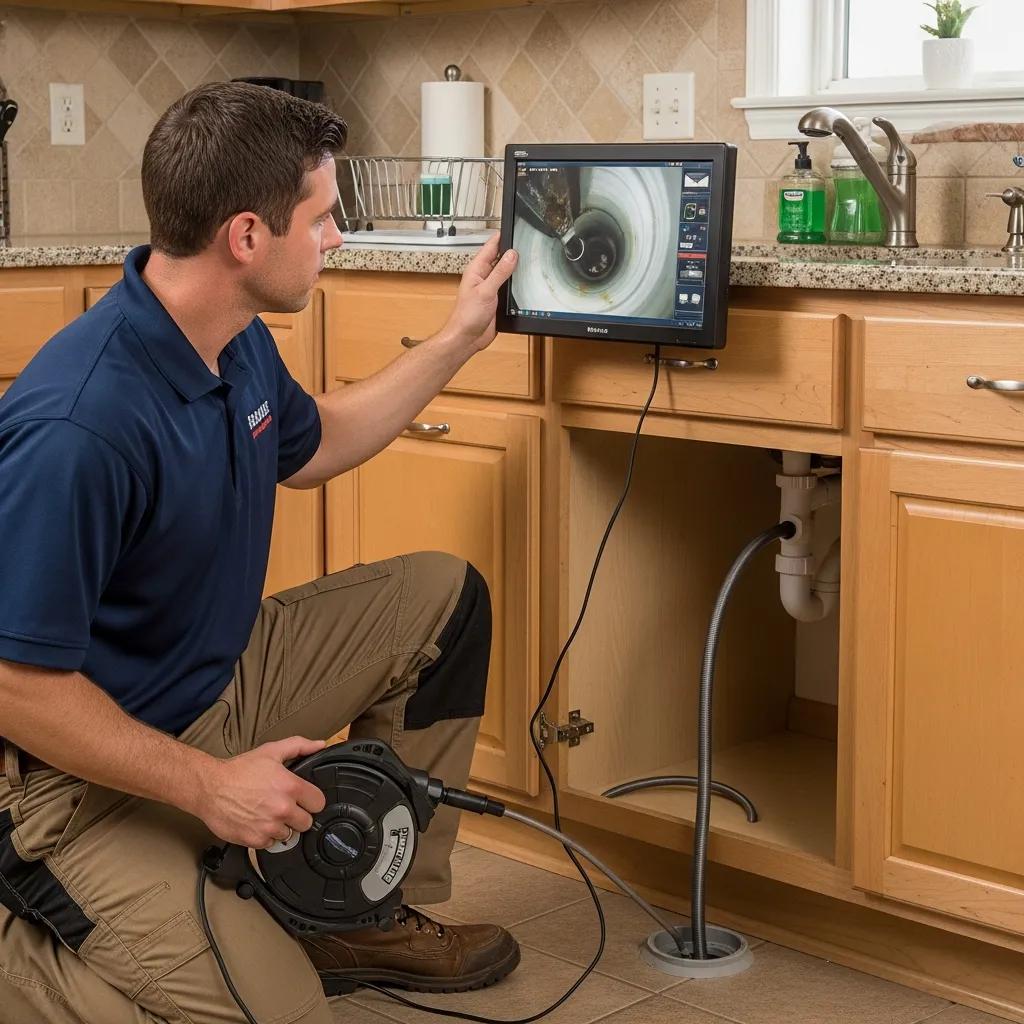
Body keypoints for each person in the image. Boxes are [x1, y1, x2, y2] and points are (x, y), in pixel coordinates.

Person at [0, 80, 519, 1023]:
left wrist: (456, 341)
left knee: (442, 600)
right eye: (321, 218)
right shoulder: (81, 426)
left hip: (218, 683)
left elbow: (314, 444)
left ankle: (358, 916)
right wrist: (211, 789)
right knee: (279, 1014)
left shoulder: (230, 337)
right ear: (246, 236)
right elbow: (16, 687)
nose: (337, 238)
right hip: (67, 783)